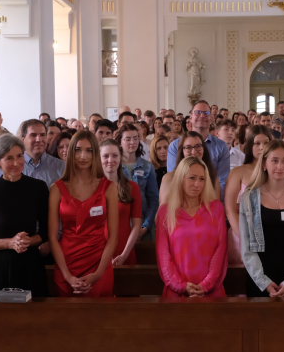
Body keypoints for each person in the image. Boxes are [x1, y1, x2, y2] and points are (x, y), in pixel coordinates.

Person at [0, 134, 49, 297]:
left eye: (19, 156)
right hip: (0, 267)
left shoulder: (38, 188)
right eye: (9, 158)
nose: (16, 163)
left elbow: (45, 232)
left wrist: (28, 241)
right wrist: (10, 243)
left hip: (30, 265)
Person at [48, 131, 119, 297]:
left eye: (89, 151)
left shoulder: (108, 187)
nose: (83, 156)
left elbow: (113, 237)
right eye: (78, 150)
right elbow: (52, 237)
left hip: (99, 263)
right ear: (71, 152)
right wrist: (68, 276)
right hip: (67, 264)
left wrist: (98, 274)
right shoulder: (57, 189)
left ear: (95, 154)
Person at [239, 140, 284, 297]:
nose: (280, 166)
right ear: (264, 164)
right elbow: (246, 246)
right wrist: (263, 281)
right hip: (259, 278)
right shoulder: (249, 198)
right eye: (275, 160)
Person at [156, 157, 228, 299]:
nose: (197, 184)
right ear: (180, 179)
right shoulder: (165, 212)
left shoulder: (216, 208)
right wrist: (181, 285)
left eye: (202, 179)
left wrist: (206, 285)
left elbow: (221, 250)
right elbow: (163, 256)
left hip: (211, 291)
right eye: (192, 178)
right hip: (177, 292)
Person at [225, 125, 273, 266]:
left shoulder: (276, 172)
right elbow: (230, 209)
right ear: (249, 146)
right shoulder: (238, 172)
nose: (262, 147)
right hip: (242, 234)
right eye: (257, 143)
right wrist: (244, 236)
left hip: (270, 233)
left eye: (266, 143)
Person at [166, 100, 230, 194]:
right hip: (182, 196)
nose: (202, 115)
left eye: (206, 113)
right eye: (197, 112)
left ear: (211, 118)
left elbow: (222, 182)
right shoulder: (175, 145)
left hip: (211, 196)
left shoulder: (221, 147)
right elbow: (174, 178)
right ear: (191, 117)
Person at [100, 139, 144, 266]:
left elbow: (136, 225)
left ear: (120, 158)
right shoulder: (91, 189)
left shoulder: (132, 187)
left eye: (115, 155)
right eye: (105, 156)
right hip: (98, 253)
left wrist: (124, 254)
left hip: (124, 251)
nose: (110, 160)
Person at [117, 124, 159, 236]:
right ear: (120, 141)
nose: (132, 142)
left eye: (135, 138)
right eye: (128, 139)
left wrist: (146, 225)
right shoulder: (114, 166)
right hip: (119, 223)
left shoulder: (147, 166)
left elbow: (153, 199)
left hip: (142, 221)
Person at [15, 119, 65, 187]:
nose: (38, 139)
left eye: (42, 135)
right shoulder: (13, 166)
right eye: (33, 135)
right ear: (23, 139)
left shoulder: (61, 166)